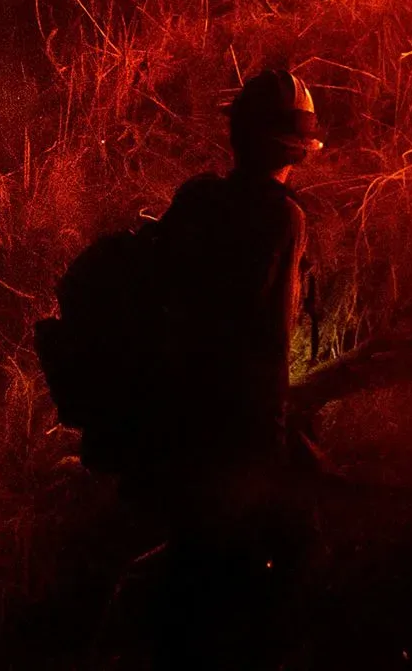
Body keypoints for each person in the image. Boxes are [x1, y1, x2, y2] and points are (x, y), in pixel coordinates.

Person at [132, 68, 323, 669]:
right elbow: (269, 337)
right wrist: (272, 435)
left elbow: (159, 291)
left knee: (189, 568)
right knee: (244, 576)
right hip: (236, 425)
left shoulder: (197, 198)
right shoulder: (282, 218)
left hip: (178, 413)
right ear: (296, 150)